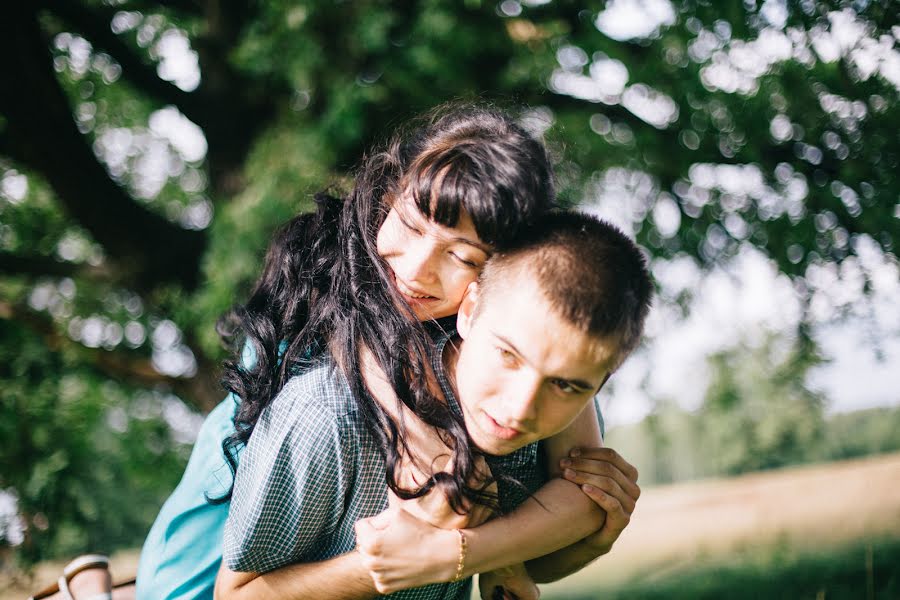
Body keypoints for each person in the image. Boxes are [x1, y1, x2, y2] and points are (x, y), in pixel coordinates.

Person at [134, 103, 639, 600]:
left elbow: (581, 489)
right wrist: (484, 548)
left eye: (461, 255)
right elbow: (431, 452)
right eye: (413, 225)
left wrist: (478, 553)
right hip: (196, 567)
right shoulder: (329, 301)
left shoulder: (518, 352)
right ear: (386, 194)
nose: (417, 270)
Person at [218, 211, 653, 599]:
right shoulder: (328, 417)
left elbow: (530, 560)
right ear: (470, 308)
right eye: (508, 356)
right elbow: (235, 595)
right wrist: (389, 566)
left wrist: (592, 540)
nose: (521, 409)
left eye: (566, 385)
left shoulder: (552, 421)